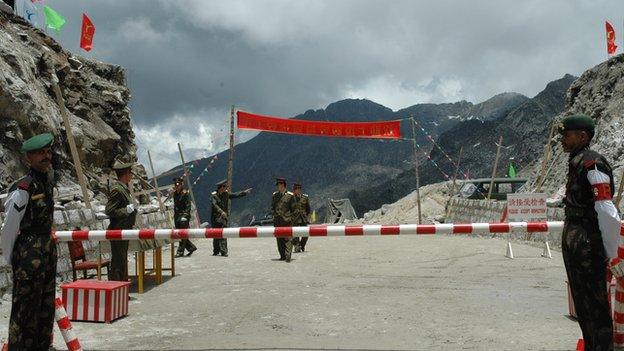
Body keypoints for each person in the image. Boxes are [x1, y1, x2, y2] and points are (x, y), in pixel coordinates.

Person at [559, 114, 623, 350]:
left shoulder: (592, 164)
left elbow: (605, 209)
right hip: (576, 238)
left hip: (587, 241)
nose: (563, 140)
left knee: (595, 307)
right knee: (583, 306)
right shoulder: (577, 161)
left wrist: (611, 250)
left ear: (583, 136)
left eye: (567, 135)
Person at [0, 133, 56, 350]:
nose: (46, 156)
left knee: (45, 306)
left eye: (48, 152)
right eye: (40, 153)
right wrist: (12, 257)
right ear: (27, 159)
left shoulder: (48, 182)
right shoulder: (23, 188)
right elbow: (10, 227)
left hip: (46, 250)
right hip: (28, 252)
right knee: (25, 310)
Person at [105, 157, 137, 282]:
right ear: (125, 174)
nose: (131, 175)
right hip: (118, 230)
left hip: (124, 229)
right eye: (130, 173)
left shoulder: (124, 188)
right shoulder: (117, 190)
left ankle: (121, 289)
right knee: (118, 261)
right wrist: (126, 211)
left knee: (122, 260)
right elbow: (109, 210)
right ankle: (116, 288)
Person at [210, 179, 252, 256]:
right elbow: (214, 205)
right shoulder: (214, 195)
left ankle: (224, 251)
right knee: (216, 235)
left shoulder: (226, 194)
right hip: (216, 218)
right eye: (225, 186)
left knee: (223, 234)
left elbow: (235, 195)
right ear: (221, 187)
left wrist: (244, 193)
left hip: (223, 218)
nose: (227, 187)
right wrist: (221, 211)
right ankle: (216, 250)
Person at [272, 178, 295, 262]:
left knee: (288, 238)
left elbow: (293, 209)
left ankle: (288, 255)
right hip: (278, 221)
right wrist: (274, 216)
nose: (278, 187)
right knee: (279, 239)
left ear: (283, 185)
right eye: (277, 185)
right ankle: (282, 256)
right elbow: (273, 207)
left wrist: (291, 219)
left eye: (279, 185)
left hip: (287, 221)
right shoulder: (275, 195)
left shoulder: (290, 195)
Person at [173, 177, 197, 257]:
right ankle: (191, 247)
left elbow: (188, 206)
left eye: (178, 185)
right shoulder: (175, 194)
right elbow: (175, 205)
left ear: (181, 185)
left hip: (183, 216)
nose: (176, 186)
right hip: (177, 216)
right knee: (180, 234)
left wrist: (185, 215)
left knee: (182, 235)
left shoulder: (185, 193)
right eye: (175, 185)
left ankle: (180, 252)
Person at [291, 182, 311, 253]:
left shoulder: (305, 197)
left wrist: (309, 217)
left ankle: (302, 245)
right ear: (294, 190)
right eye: (296, 189)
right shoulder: (291, 198)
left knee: (306, 234)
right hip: (294, 219)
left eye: (299, 188)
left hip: (303, 218)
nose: (298, 190)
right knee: (294, 234)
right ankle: (297, 246)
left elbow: (308, 209)